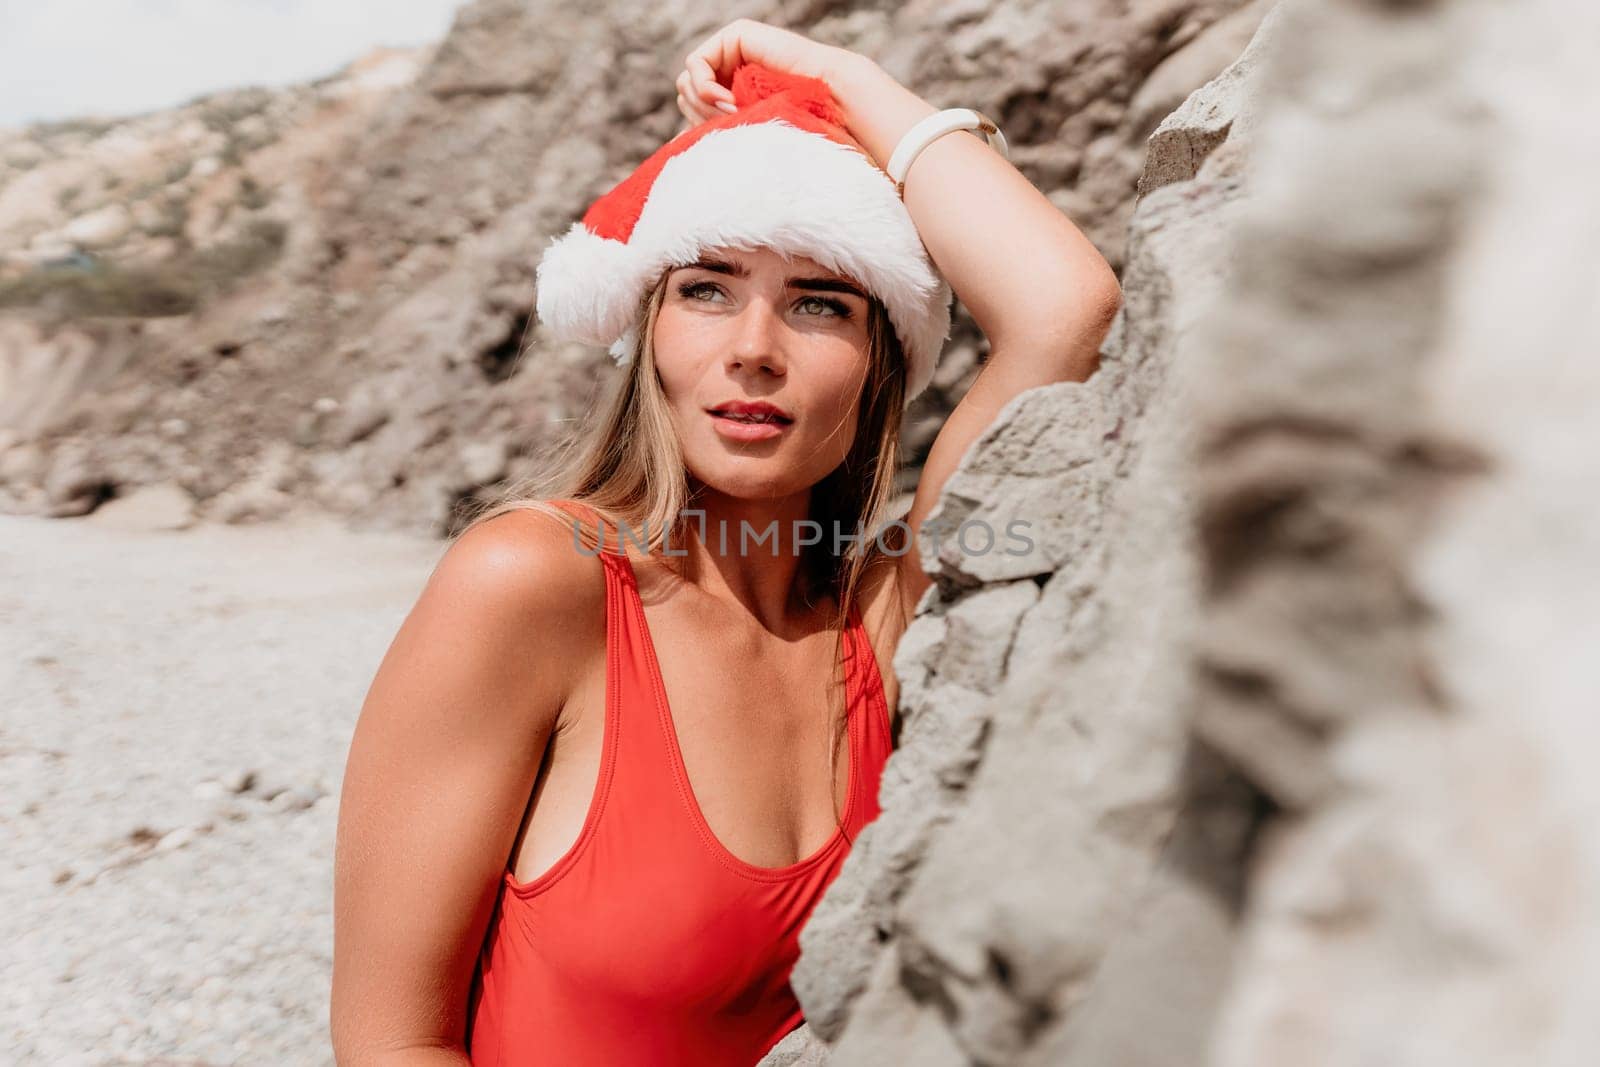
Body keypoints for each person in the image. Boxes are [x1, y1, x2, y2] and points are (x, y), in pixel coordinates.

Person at [329, 18, 1120, 1067]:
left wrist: (836, 77)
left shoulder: (886, 611)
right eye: (705, 288)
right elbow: (389, 1042)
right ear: (647, 329)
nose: (754, 349)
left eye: (820, 302)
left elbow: (1063, 306)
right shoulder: (531, 584)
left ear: (880, 360)